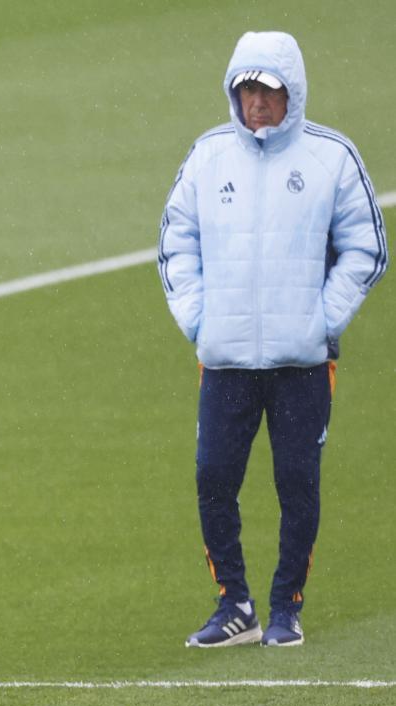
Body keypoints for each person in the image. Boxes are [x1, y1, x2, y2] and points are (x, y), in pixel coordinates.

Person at [160, 30, 385, 649]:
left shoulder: (331, 158)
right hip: (225, 359)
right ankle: (235, 604)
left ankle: (286, 605)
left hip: (301, 363)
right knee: (213, 479)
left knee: (297, 482)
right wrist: (199, 320)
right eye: (247, 89)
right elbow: (176, 242)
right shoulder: (208, 157)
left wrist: (323, 320)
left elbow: (367, 247)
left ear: (293, 93)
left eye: (269, 90)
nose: (256, 101)